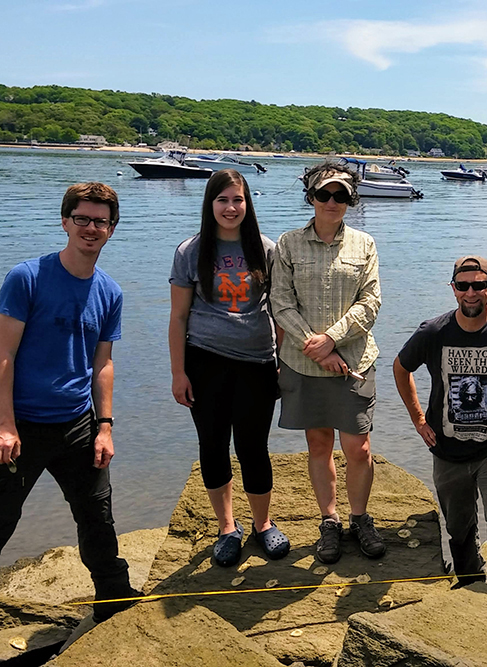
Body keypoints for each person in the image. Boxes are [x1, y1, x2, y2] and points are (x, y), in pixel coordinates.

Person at [0, 182, 138, 621]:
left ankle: (113, 601)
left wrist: (105, 426)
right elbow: (3, 354)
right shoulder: (28, 277)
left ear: (112, 229)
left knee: (98, 518)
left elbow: (103, 364)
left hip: (79, 424)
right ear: (65, 222)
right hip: (21, 424)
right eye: (82, 218)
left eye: (101, 221)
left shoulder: (109, 292)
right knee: (1, 519)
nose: (91, 228)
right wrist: (4, 424)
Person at [393, 256, 487, 587]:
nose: (471, 293)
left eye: (479, 285)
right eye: (463, 286)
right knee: (458, 528)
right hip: (447, 452)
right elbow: (401, 368)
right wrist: (419, 419)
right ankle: (468, 581)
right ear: (453, 289)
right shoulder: (433, 332)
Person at [168, 169, 289, 568]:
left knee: (254, 447)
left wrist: (282, 363)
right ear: (210, 204)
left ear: (247, 203)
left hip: (257, 362)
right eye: (222, 200)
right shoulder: (191, 250)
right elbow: (178, 317)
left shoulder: (266, 250)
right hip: (205, 360)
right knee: (213, 445)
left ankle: (263, 524)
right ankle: (226, 528)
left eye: (238, 200)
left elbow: (281, 312)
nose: (231, 207)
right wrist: (178, 372)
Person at [270, 161, 385, 564]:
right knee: (318, 445)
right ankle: (330, 521)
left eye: (341, 195)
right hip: (302, 365)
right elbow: (280, 303)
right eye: (324, 194)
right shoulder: (287, 244)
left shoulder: (365, 245)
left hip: (353, 361)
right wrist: (315, 346)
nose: (332, 202)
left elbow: (371, 303)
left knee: (358, 447)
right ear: (311, 197)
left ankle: (360, 518)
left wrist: (332, 340)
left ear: (350, 200)